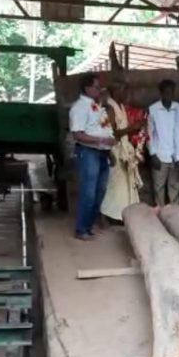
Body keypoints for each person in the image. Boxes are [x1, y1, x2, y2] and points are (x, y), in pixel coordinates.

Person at [70, 74, 117, 240]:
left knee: (99, 192)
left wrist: (108, 148)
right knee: (89, 193)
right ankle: (81, 229)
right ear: (87, 88)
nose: (100, 90)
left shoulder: (95, 106)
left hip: (102, 152)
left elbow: (102, 128)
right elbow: (78, 135)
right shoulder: (79, 107)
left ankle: (88, 226)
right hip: (88, 152)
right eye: (97, 87)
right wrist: (102, 140)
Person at [100, 81, 147, 221]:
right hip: (115, 151)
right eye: (124, 91)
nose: (126, 94)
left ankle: (120, 216)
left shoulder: (119, 106)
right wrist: (133, 128)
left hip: (123, 150)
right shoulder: (109, 108)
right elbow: (110, 134)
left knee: (122, 187)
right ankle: (104, 217)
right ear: (115, 91)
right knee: (113, 187)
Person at [147, 79, 179, 207]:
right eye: (166, 92)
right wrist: (152, 154)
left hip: (175, 156)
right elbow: (149, 134)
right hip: (159, 155)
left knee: (175, 187)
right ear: (161, 93)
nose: (169, 95)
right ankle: (160, 215)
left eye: (171, 92)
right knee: (158, 188)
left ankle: (175, 215)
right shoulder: (153, 109)